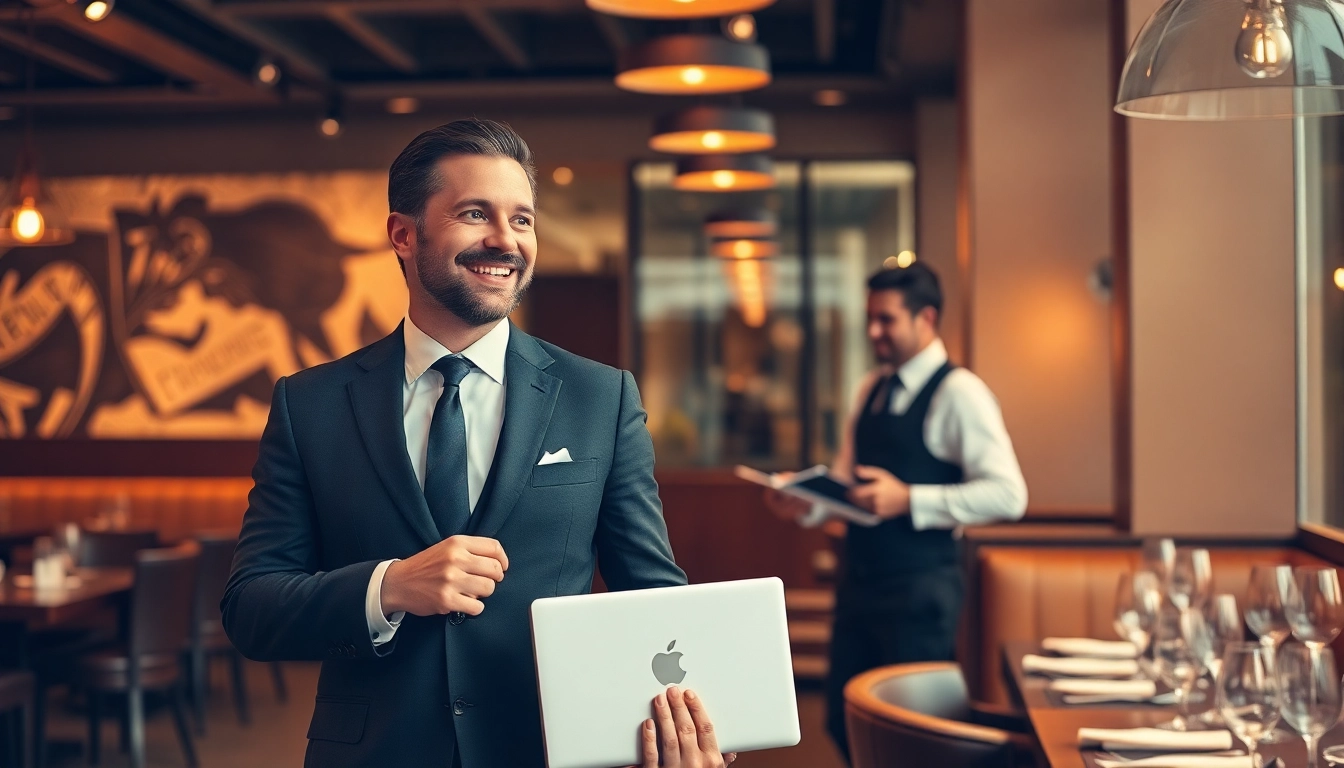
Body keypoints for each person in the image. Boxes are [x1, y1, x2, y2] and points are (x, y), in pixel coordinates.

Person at [222, 119, 733, 768]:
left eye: (522, 219)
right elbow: (252, 607)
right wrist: (390, 587)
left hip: (551, 749)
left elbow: (653, 593)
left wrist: (703, 715)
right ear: (403, 235)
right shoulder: (311, 404)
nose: (505, 239)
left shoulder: (600, 397)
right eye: (474, 213)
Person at [764, 262, 1027, 763]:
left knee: (911, 736)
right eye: (870, 318)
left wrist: (910, 499)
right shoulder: (870, 388)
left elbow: (1010, 495)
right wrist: (805, 503)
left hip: (922, 593)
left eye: (886, 320)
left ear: (926, 318)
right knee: (842, 721)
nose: (873, 332)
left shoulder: (960, 393)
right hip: (859, 585)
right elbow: (848, 484)